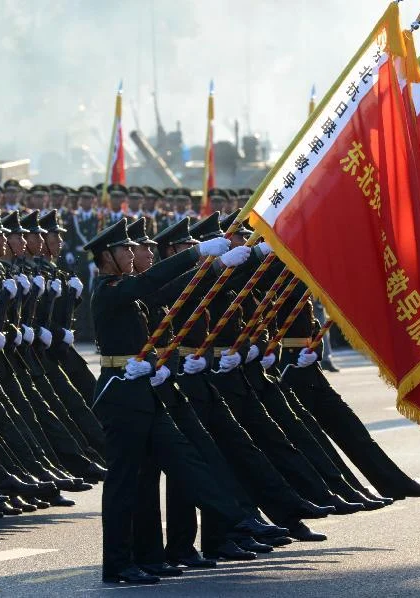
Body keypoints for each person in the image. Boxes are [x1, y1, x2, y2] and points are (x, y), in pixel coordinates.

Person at [85, 218, 286, 584]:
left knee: (187, 461)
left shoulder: (130, 290)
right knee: (126, 485)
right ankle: (117, 564)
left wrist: (218, 266)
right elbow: (150, 283)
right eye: (125, 249)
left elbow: (172, 290)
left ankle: (237, 521)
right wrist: (195, 253)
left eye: (134, 248)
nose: (132, 254)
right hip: (121, 394)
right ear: (106, 256)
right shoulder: (108, 291)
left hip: (146, 390)